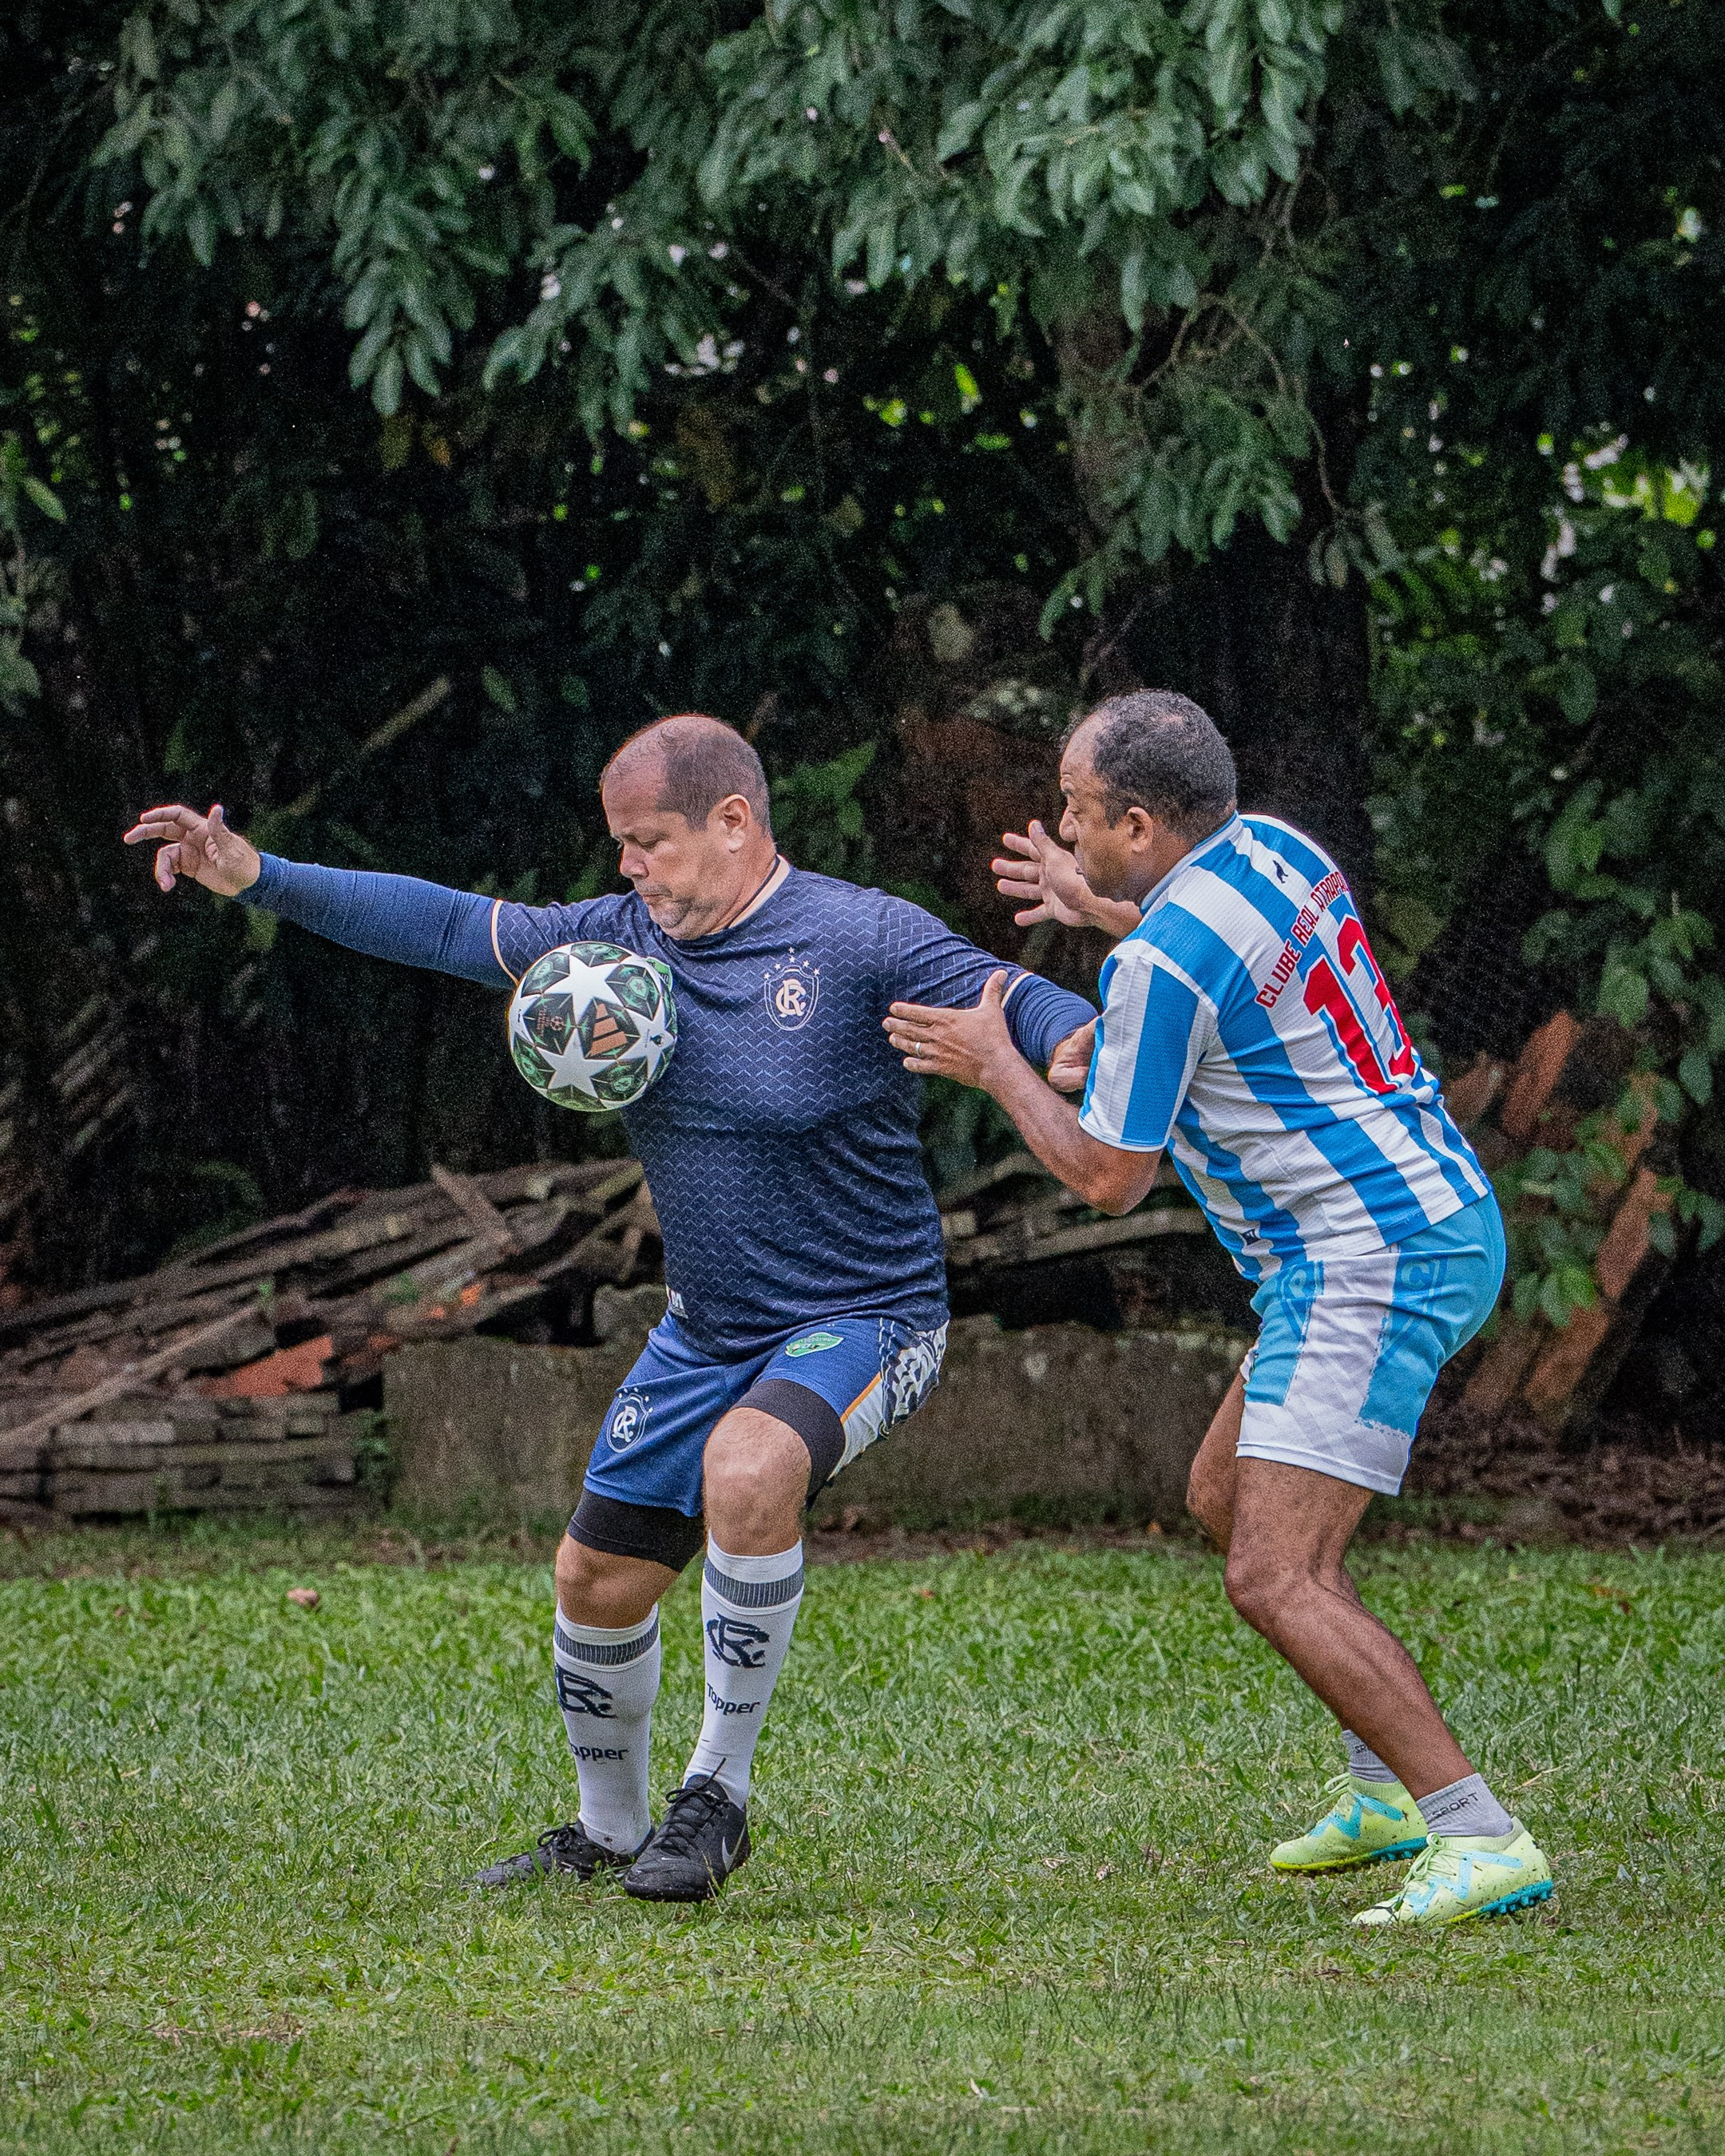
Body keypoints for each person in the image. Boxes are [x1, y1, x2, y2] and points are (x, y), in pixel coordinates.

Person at [125, 713, 1093, 1904]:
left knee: (748, 1471)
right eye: (619, 846)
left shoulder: (862, 939)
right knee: (596, 1581)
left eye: (648, 843)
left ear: (733, 824)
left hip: (869, 1317)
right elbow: (440, 922)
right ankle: (609, 1829)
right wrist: (254, 873)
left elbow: (1031, 1016)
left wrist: (1070, 1045)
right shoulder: (618, 944)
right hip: (709, 1326)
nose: (627, 869)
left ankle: (717, 1800)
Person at [883, 689, 1554, 1930]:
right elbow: (1210, 960)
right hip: (1412, 1218)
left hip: (1374, 1255)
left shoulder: (1162, 963)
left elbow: (1104, 1174)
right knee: (1226, 1500)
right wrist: (1099, 912)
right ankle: (1385, 1793)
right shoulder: (1277, 849)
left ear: (1141, 823)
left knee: (1274, 1572)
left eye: (1081, 817)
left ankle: (1476, 1828)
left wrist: (1001, 1068)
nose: (1066, 835)